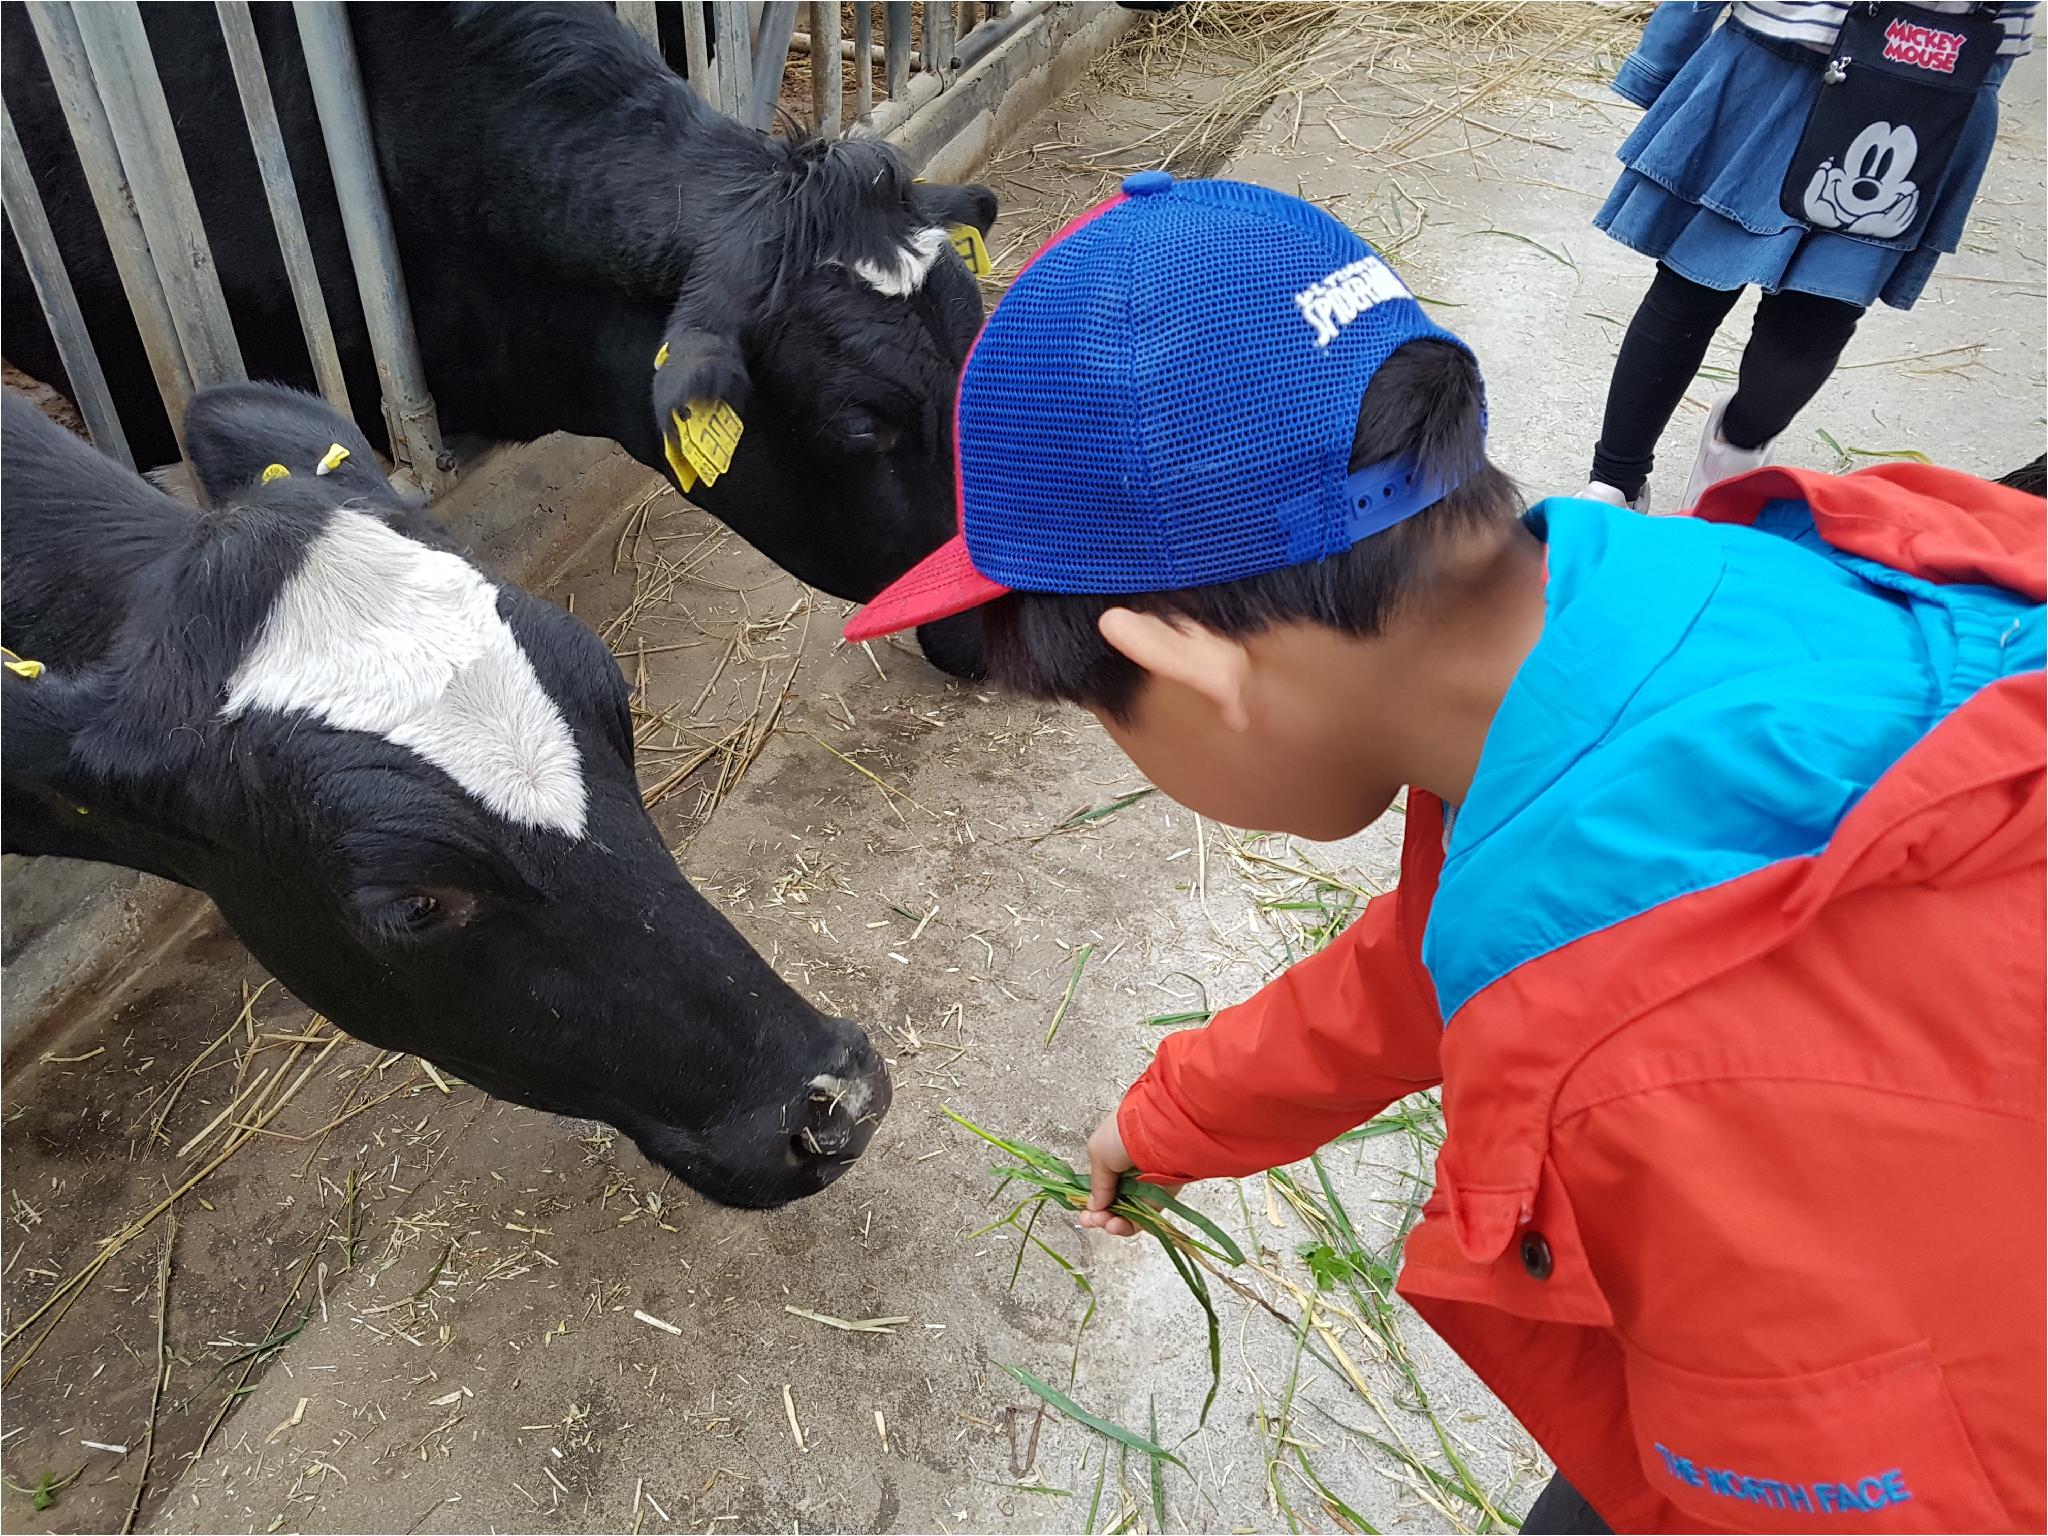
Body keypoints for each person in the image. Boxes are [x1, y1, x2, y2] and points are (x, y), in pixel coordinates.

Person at [844, 173, 2046, 1533]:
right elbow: (1446, 945)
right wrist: (1178, 1113)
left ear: (1178, 672)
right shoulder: (1650, 630)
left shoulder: (1676, 1081)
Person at [1583, 0, 2038, 513]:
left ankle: (1737, 448)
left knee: (1811, 330)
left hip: (1919, 96)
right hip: (1769, 69)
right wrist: (1662, 60)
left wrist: (1973, 92)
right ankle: (1615, 481)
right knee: (1687, 291)